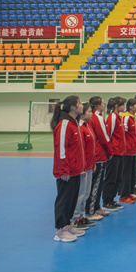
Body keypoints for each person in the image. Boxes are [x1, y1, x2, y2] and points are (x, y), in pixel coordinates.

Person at [51, 95, 85, 242]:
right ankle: (60, 230)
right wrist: (64, 170)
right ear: (72, 107)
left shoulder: (73, 123)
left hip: (75, 170)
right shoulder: (64, 124)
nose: (82, 106)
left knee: (72, 199)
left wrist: (80, 168)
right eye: (80, 103)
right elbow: (61, 149)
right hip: (66, 171)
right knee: (64, 200)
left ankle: (67, 225)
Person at [72, 103, 97, 230]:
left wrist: (93, 163)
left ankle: (81, 216)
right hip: (82, 167)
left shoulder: (88, 126)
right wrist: (81, 167)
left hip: (89, 166)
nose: (91, 114)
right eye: (89, 111)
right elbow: (79, 150)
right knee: (80, 194)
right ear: (82, 114)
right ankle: (75, 218)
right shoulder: (79, 128)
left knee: (86, 194)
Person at [86, 96, 111, 218]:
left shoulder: (90, 118)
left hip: (95, 154)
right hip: (99, 155)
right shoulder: (97, 118)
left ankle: (96, 207)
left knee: (94, 184)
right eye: (102, 103)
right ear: (97, 106)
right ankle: (91, 210)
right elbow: (104, 137)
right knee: (96, 184)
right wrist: (109, 152)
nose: (104, 105)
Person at [102, 97, 126, 211]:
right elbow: (108, 135)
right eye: (123, 105)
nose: (124, 107)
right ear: (117, 106)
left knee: (118, 178)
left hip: (120, 152)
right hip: (114, 153)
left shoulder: (119, 117)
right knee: (111, 177)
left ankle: (112, 199)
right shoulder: (112, 117)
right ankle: (107, 201)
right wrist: (110, 152)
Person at [119, 98, 136, 204]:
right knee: (126, 174)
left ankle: (130, 193)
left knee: (131, 173)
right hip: (127, 151)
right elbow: (123, 133)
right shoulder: (126, 117)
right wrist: (125, 147)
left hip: (133, 150)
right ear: (130, 107)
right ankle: (123, 195)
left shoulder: (133, 117)